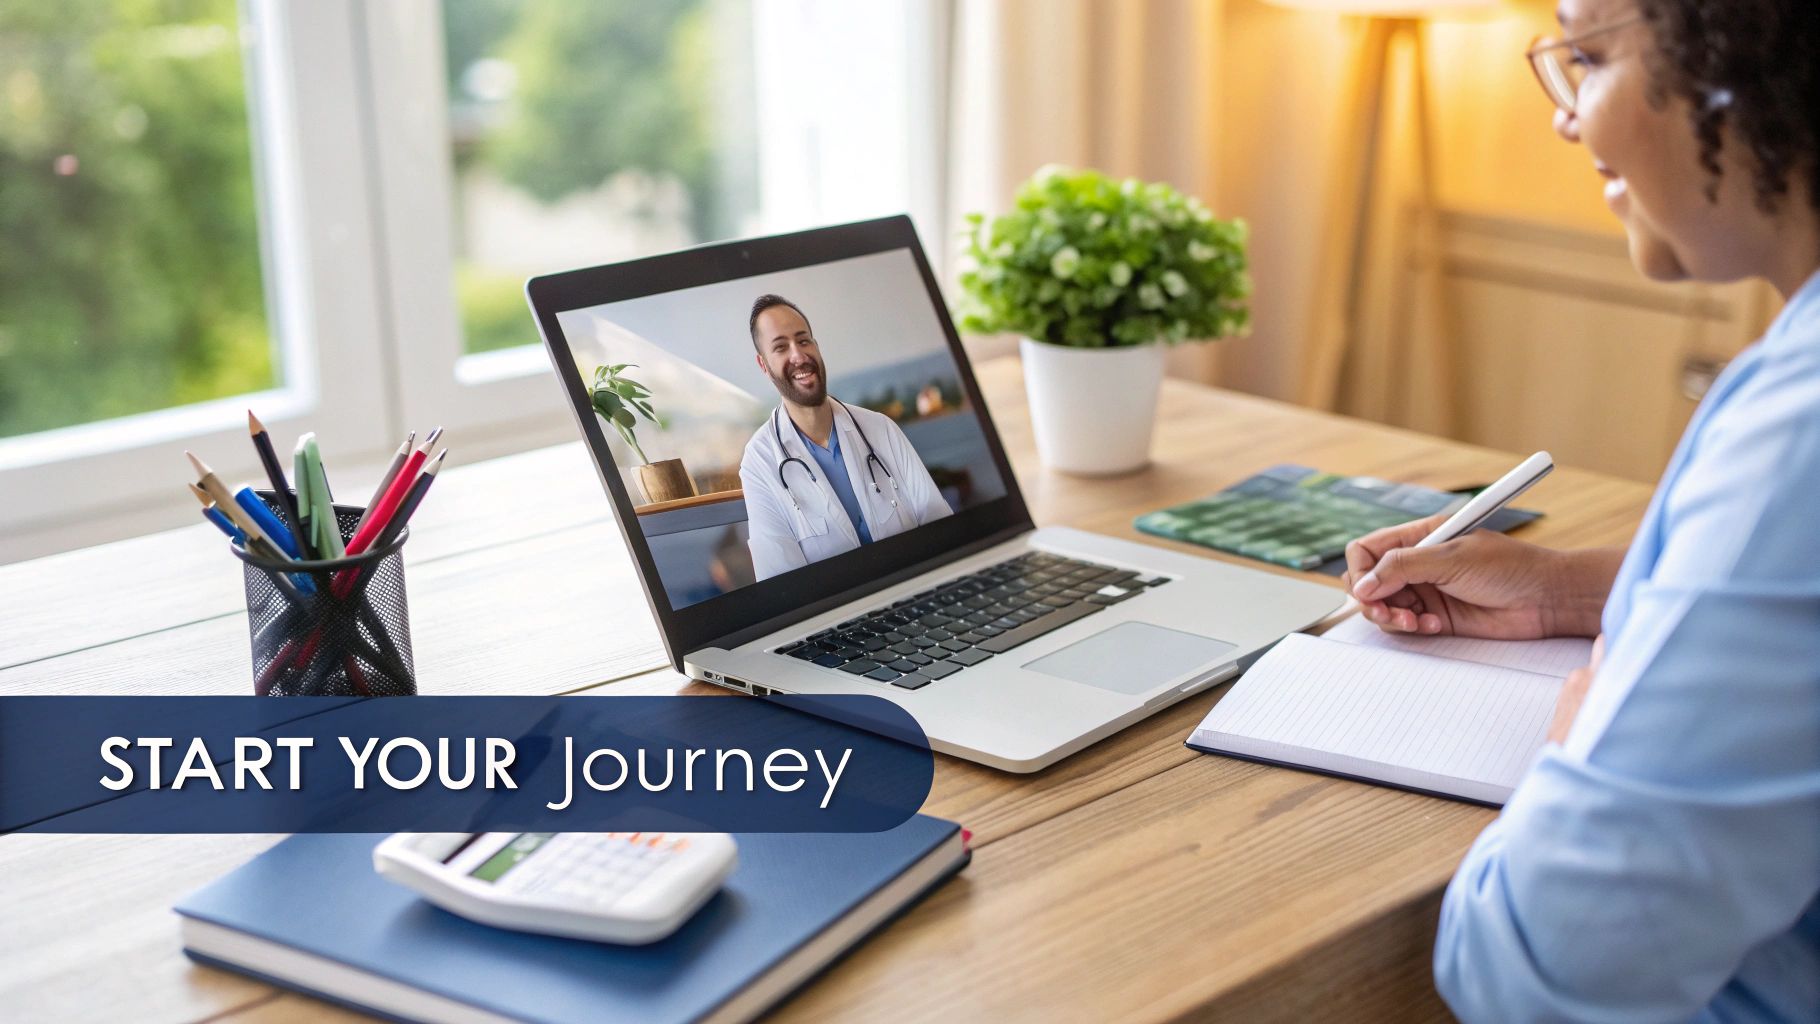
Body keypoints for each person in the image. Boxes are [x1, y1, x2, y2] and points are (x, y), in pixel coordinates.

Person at [1338, 2, 1820, 1018]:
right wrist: (1566, 590)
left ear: (1736, 52)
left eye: (1589, 57)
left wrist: (1578, 735)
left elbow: (1536, 972)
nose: (1564, 116)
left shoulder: (1797, 434)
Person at [738, 294, 951, 580]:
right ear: (763, 365)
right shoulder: (759, 463)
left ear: (816, 346)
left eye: (803, 341)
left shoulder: (881, 429)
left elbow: (940, 526)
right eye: (781, 347)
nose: (798, 356)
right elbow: (781, 583)